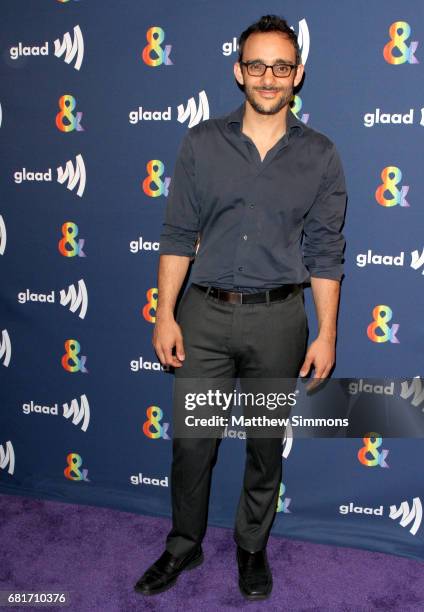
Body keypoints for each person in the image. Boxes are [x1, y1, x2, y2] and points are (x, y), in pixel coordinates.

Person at [134, 14, 347, 601]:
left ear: (298, 74)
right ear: (238, 71)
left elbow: (326, 252)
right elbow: (178, 234)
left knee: (263, 445)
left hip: (279, 320)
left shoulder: (322, 156)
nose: (269, 77)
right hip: (202, 318)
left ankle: (251, 547)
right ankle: (184, 544)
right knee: (192, 444)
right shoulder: (201, 142)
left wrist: (326, 333)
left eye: (281, 66)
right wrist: (165, 313)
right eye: (257, 65)